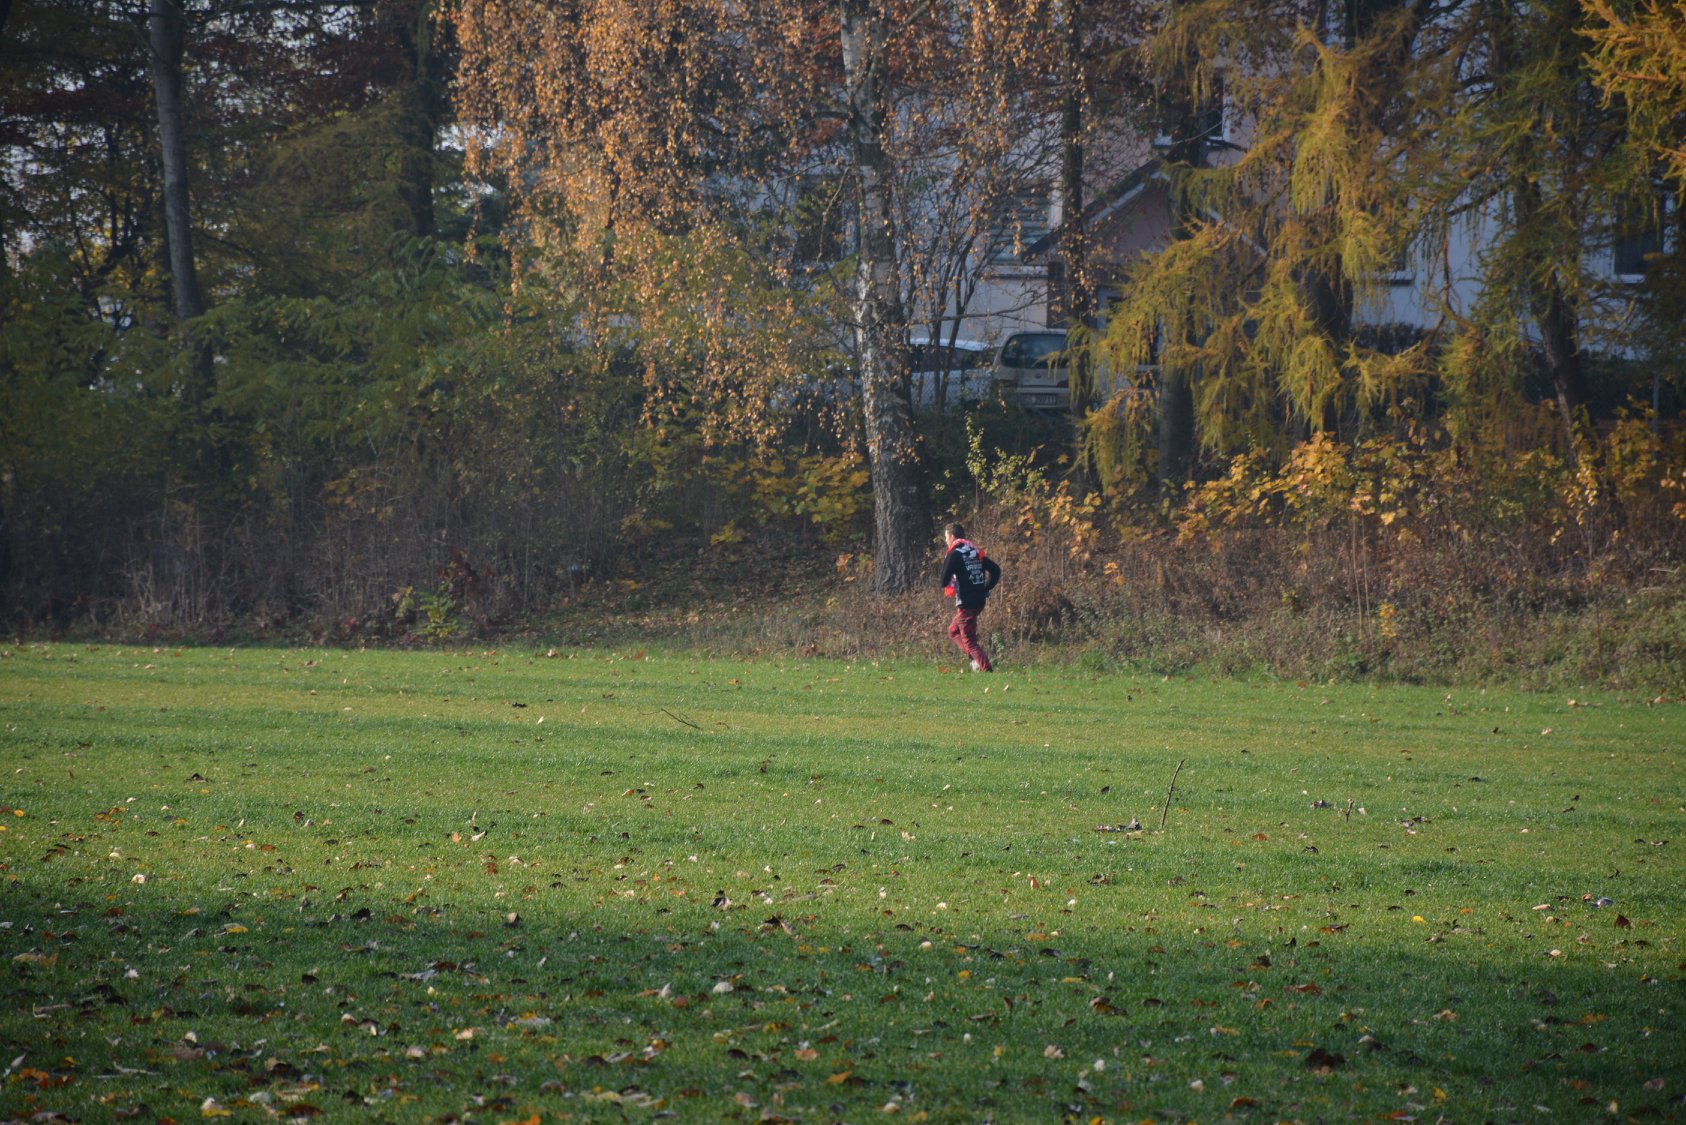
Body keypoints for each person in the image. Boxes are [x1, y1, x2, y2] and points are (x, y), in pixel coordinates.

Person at [939, 521, 1001, 671]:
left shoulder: (954, 554)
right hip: (979, 601)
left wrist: (953, 576)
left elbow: (943, 580)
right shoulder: (974, 552)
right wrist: (986, 587)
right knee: (953, 631)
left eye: (946, 537)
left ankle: (986, 667)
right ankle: (976, 659)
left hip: (966, 602)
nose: (946, 541)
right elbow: (996, 570)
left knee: (969, 641)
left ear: (952, 536)